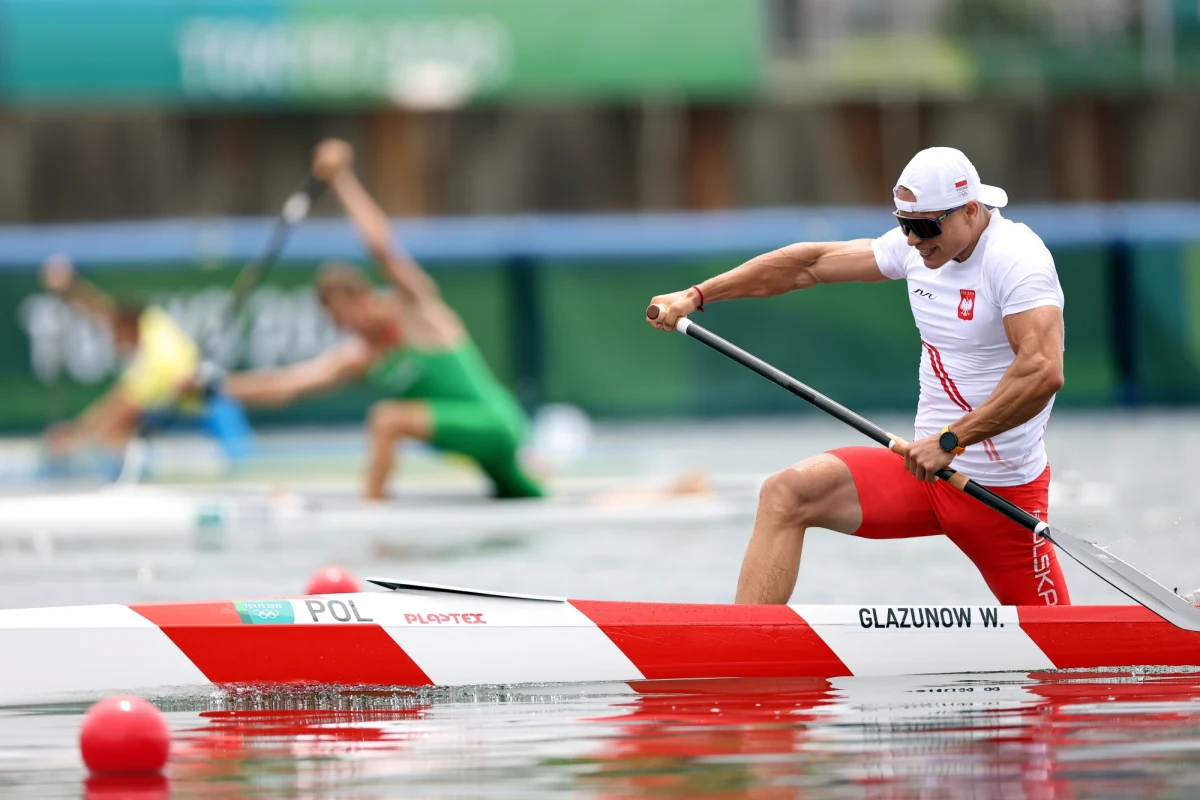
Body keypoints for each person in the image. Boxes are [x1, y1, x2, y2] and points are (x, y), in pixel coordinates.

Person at [648, 146, 1070, 607]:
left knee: (1065, 669)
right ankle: (750, 648)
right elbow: (807, 265)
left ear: (971, 211)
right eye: (904, 224)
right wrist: (698, 294)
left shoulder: (1016, 260)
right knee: (786, 493)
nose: (912, 239)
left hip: (997, 496)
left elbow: (1041, 372)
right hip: (923, 474)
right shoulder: (918, 248)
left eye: (925, 226)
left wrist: (950, 440)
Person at [221, 139, 544, 501]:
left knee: (386, 419)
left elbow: (381, 246)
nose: (341, 328)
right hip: (482, 455)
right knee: (533, 497)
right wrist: (215, 387)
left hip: (498, 425)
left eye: (341, 317)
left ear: (361, 298)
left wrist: (342, 178)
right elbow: (286, 385)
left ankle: (371, 515)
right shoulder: (360, 356)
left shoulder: (414, 308)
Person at [38, 255, 253, 477]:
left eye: (114, 334)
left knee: (247, 471)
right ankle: (132, 474)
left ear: (127, 329)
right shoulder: (149, 321)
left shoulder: (154, 364)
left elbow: (115, 409)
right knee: (118, 435)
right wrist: (70, 286)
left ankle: (129, 478)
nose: (111, 339)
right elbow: (101, 309)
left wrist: (72, 437)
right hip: (175, 405)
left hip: (210, 408)